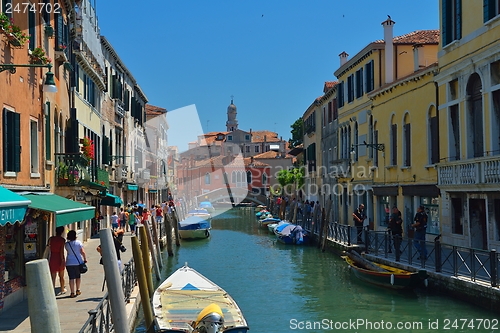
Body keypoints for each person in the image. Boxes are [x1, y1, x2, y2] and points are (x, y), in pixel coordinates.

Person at [65, 230, 87, 298]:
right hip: (78, 262)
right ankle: (77, 290)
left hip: (69, 262)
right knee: (78, 276)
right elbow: (83, 252)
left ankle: (72, 292)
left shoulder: (66, 244)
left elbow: (68, 251)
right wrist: (85, 259)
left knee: (71, 278)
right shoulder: (78, 243)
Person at [48, 226, 66, 295]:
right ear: (62, 232)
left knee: (53, 276)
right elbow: (61, 251)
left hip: (52, 257)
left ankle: (52, 290)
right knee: (61, 276)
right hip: (59, 257)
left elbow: (48, 248)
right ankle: (62, 289)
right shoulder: (62, 240)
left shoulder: (50, 239)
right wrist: (62, 260)